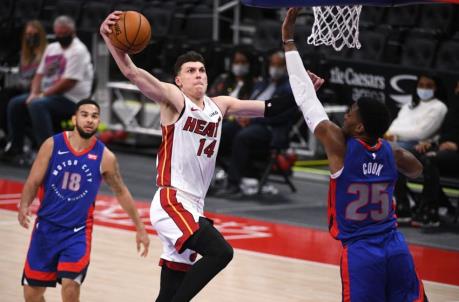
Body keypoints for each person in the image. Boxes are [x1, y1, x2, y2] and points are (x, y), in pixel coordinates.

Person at [100, 11, 323, 302]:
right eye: (190, 71)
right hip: (172, 200)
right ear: (178, 80)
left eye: (202, 70)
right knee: (221, 252)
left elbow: (272, 108)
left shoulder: (221, 105)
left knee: (169, 292)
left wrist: (304, 91)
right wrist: (109, 38)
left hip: (194, 204)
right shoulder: (173, 99)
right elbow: (131, 71)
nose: (198, 75)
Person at [282, 8, 427, 302]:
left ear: (359, 127)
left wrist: (287, 39)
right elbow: (418, 171)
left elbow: (306, 100)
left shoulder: (340, 146)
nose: (345, 115)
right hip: (396, 247)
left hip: (362, 253)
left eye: (350, 113)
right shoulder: (393, 152)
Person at [18, 99, 150, 301]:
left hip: (77, 233)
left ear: (99, 122)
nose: (89, 120)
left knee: (70, 287)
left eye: (94, 116)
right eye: (84, 114)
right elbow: (33, 180)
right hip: (45, 229)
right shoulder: (52, 145)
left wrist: (140, 227)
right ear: (74, 119)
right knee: (32, 295)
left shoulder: (105, 157)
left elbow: (121, 191)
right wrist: (24, 204)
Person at [5, 15, 93, 163]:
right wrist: (33, 93)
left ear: (72, 32)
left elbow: (68, 82)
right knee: (16, 103)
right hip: (49, 95)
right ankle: (16, 148)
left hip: (72, 99)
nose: (61, 37)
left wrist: (42, 95)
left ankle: (49, 154)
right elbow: (39, 75)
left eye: (64, 34)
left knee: (37, 104)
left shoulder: (78, 50)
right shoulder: (52, 48)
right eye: (58, 34)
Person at [217, 50, 294, 196]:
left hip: (270, 128)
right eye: (273, 64)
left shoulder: (289, 88)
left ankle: (234, 183)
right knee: (222, 131)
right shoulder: (261, 84)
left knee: (243, 136)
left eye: (279, 65)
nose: (275, 68)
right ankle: (208, 176)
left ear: (285, 67)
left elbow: (280, 114)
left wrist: (253, 118)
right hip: (250, 122)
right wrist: (241, 115)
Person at [385, 74, 448, 222]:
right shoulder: (409, 105)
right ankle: (403, 200)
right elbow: (394, 126)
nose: (424, 89)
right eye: (421, 85)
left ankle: (403, 203)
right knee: (374, 149)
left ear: (436, 88)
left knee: (389, 153)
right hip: (400, 144)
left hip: (421, 146)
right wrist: (393, 136)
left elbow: (421, 132)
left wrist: (394, 136)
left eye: (429, 86)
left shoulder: (439, 107)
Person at [411, 81, 459, 228]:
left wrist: (456, 146)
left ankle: (430, 209)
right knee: (406, 156)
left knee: (430, 160)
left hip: (455, 154)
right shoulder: (453, 110)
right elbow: (445, 136)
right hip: (444, 152)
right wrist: (431, 143)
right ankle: (407, 204)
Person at [0, 20, 47, 148]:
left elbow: (42, 79)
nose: (30, 37)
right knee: (3, 97)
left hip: (38, 91)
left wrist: (24, 83)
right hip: (23, 88)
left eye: (34, 34)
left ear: (40, 36)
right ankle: (11, 138)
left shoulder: (46, 54)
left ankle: (19, 142)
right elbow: (22, 76)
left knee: (11, 102)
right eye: (28, 34)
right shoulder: (24, 55)